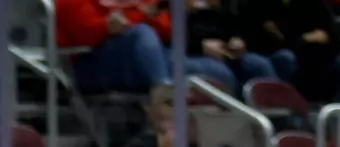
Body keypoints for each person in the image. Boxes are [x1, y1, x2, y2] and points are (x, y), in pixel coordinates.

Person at [56, 0, 236, 94]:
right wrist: (109, 26)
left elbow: (165, 27)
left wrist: (133, 18)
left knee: (217, 70)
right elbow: (86, 34)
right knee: (141, 33)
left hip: (148, 56)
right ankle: (164, 95)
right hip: (92, 61)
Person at [244, 0, 340, 103]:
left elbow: (329, 35)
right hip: (287, 54)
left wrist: (323, 37)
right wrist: (302, 39)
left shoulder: (314, 4)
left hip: (321, 55)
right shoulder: (265, 6)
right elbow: (271, 42)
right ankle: (292, 113)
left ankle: (339, 116)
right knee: (286, 58)